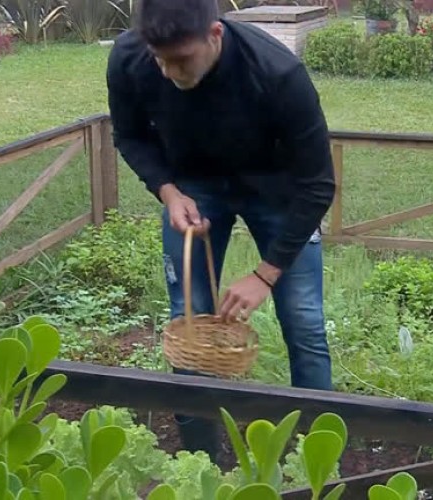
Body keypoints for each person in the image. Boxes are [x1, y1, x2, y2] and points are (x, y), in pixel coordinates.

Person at [105, 0, 336, 464]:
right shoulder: (130, 56)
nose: (168, 72)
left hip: (277, 190)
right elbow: (129, 135)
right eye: (159, 59)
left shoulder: (278, 73)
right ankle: (200, 464)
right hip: (194, 185)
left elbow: (319, 185)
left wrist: (265, 274)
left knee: (305, 323)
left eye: (181, 59)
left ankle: (317, 459)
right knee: (188, 321)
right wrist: (168, 192)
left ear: (215, 34)